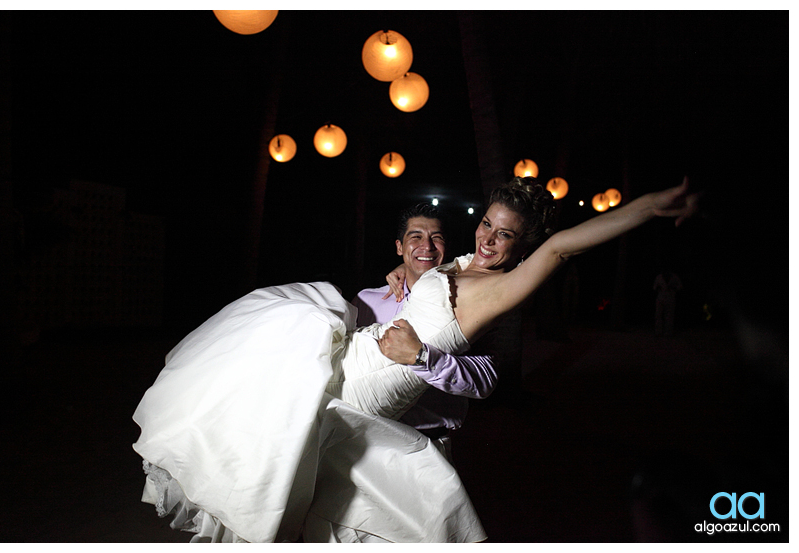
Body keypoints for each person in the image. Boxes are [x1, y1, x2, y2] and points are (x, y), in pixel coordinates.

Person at [133, 175, 698, 542]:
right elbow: (421, 270)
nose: (490, 240)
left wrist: (647, 206)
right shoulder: (451, 265)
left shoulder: (502, 289)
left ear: (521, 248)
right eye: (485, 224)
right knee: (273, 391)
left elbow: (564, 244)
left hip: (370, 395)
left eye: (506, 236)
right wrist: (408, 272)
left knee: (293, 474)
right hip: (350, 358)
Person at [351, 203, 502, 461]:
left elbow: (485, 380)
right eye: (416, 237)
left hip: (429, 448)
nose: (427, 246)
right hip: (368, 445)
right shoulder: (368, 301)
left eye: (437, 238)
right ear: (399, 247)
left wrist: (423, 358)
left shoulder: (465, 306)